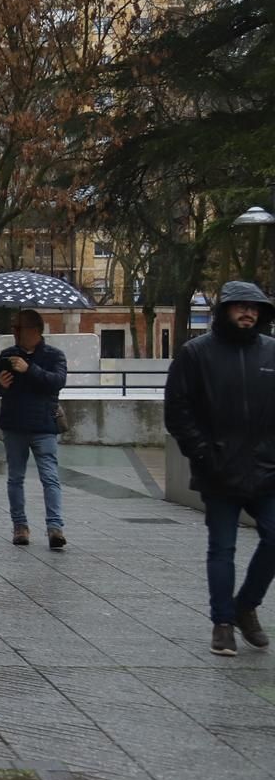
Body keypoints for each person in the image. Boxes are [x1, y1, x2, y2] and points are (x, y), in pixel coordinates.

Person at [164, 281, 275, 657]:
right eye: (241, 306)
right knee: (221, 549)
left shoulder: (272, 352)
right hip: (219, 469)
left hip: (267, 470)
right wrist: (204, 455)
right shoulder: (196, 354)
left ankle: (245, 606)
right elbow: (177, 411)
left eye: (255, 307)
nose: (249, 312)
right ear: (225, 310)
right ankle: (223, 623)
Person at [0, 308, 67, 549]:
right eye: (13, 327)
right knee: (15, 478)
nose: (14, 331)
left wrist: (29, 368)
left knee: (50, 477)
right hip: (14, 426)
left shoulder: (54, 356)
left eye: (18, 327)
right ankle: (20, 526)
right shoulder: (7, 356)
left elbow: (57, 382)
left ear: (33, 330)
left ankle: (55, 528)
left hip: (44, 425)